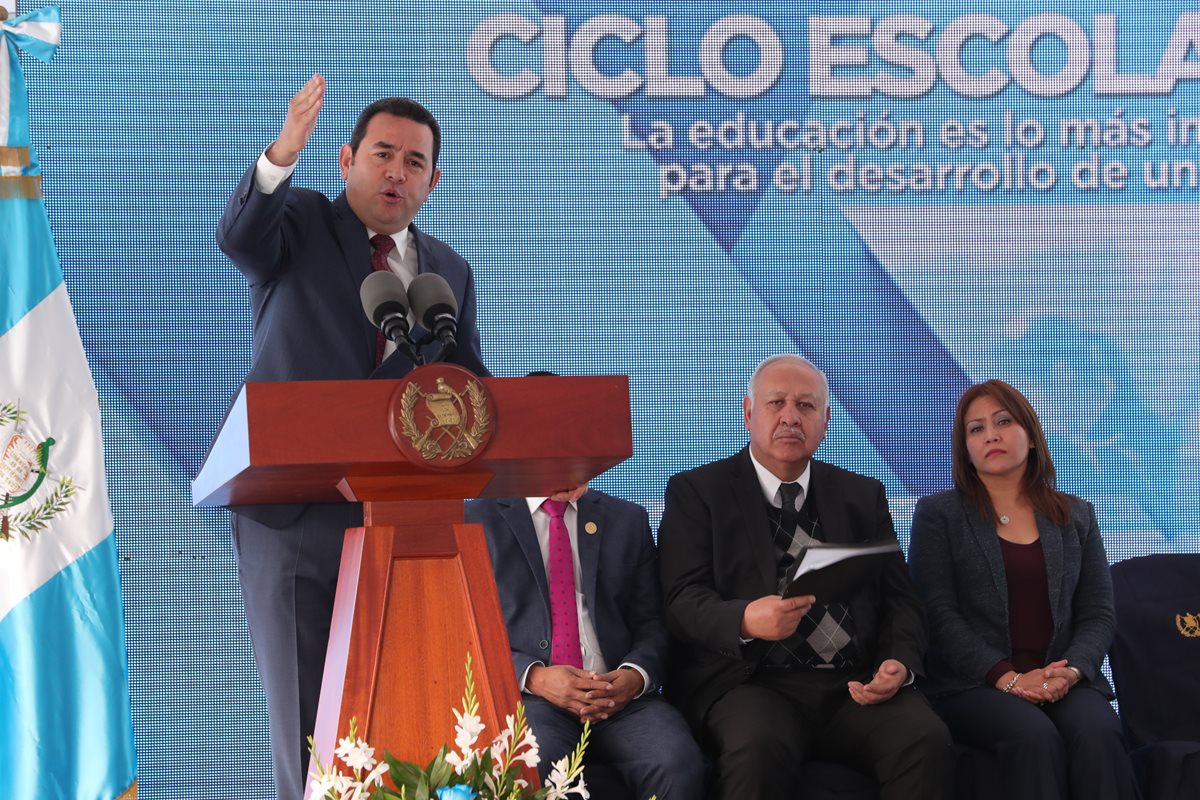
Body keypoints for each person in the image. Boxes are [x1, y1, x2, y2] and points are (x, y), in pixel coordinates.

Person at [213, 74, 488, 798]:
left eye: (415, 161)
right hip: (297, 514)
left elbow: (469, 388)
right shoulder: (298, 223)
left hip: (408, 528)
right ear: (345, 160)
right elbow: (239, 235)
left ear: (435, 180)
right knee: (311, 734)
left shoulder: (448, 272)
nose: (396, 171)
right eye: (382, 154)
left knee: (405, 726)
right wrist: (282, 153)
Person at [657, 353, 954, 800]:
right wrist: (744, 620)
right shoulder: (699, 493)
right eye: (776, 403)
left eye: (807, 406)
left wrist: (899, 662)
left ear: (827, 419)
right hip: (752, 682)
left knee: (924, 740)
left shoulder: (861, 495)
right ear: (747, 413)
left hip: (851, 681)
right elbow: (682, 600)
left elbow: (900, 600)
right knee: (757, 748)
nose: (791, 417)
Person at [908, 378, 1141, 800]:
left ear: (1031, 436)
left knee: (1099, 732)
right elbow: (937, 616)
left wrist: (1070, 672)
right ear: (965, 448)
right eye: (975, 428)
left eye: (1003, 421)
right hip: (974, 685)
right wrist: (1009, 679)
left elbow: (1098, 614)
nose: (990, 434)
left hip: (1060, 678)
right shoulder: (938, 515)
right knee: (1033, 735)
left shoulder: (1075, 515)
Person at [465, 485, 705, 800]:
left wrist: (634, 676)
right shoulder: (477, 519)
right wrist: (534, 677)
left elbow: (652, 622)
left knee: (676, 764)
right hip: (530, 697)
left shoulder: (627, 519)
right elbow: (464, 629)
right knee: (537, 761)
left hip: (618, 694)